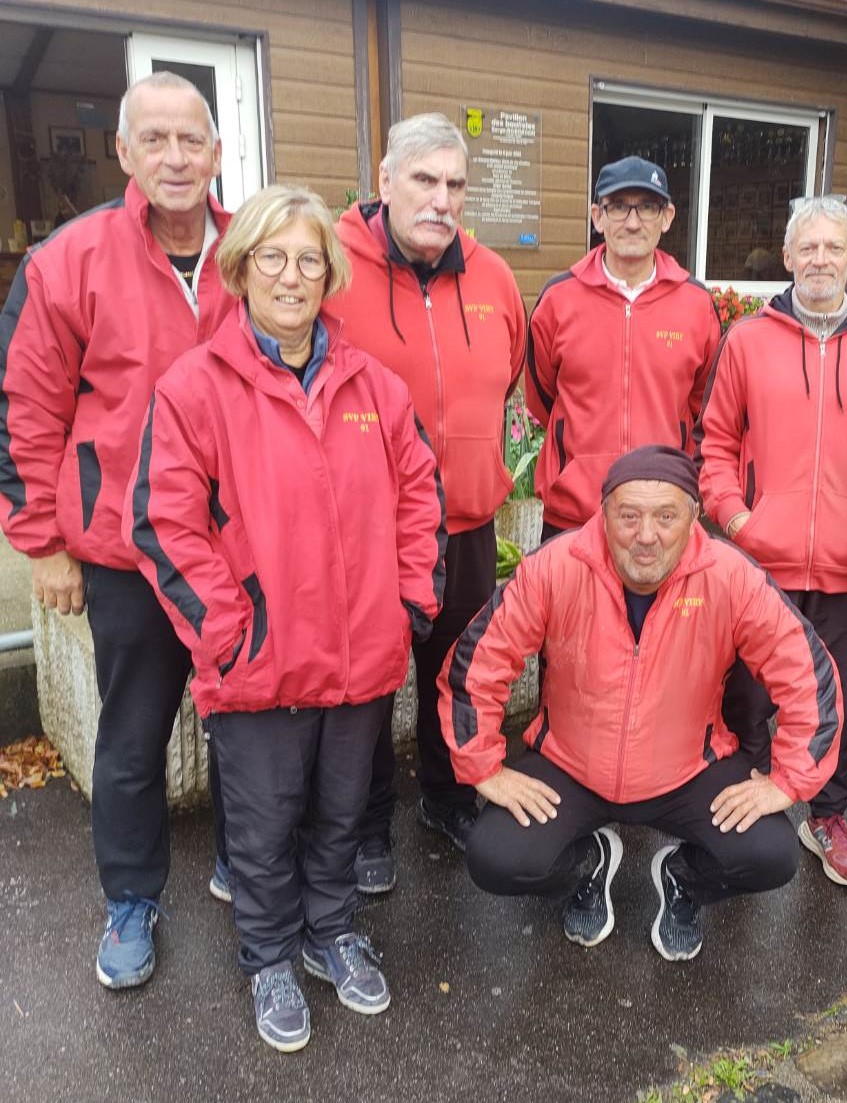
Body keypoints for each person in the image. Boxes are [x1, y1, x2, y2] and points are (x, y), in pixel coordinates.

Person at [128, 184, 444, 1051]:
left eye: (309, 258)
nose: (292, 275)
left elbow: (422, 492)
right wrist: (229, 630)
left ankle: (331, 930)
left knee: (342, 811)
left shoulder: (372, 384)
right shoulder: (196, 386)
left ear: (329, 272)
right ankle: (269, 952)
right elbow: (161, 520)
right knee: (263, 825)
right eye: (273, 256)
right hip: (258, 661)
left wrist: (411, 596)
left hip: (358, 657)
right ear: (240, 268)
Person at [0, 71, 236, 989]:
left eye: (193, 141)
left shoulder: (251, 250)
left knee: (244, 722)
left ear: (216, 154)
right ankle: (132, 902)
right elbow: (26, 407)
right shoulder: (68, 259)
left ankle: (240, 861)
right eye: (158, 140)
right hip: (123, 545)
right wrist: (42, 542)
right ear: (125, 151)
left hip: (232, 546)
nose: (176, 158)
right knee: (133, 738)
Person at [439, 446, 844, 961]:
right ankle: (589, 866)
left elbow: (808, 675)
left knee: (771, 854)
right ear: (602, 513)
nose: (646, 535)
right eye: (628, 515)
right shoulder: (557, 567)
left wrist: (788, 780)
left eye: (666, 516)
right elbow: (479, 662)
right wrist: (483, 767)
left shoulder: (728, 575)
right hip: (572, 766)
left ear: (694, 517)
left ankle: (681, 880)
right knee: (494, 856)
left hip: (685, 771)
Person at [331, 112, 526, 878]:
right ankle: (367, 824)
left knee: (458, 671)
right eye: (424, 180)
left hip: (467, 522)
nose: (441, 200)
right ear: (384, 181)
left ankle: (445, 795)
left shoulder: (493, 277)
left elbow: (509, 377)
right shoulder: (335, 269)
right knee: (370, 683)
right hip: (370, 532)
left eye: (454, 184)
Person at [696, 195, 847, 887]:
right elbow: (715, 442)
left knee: (836, 700)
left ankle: (827, 815)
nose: (819, 258)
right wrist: (737, 522)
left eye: (832, 247)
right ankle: (750, 807)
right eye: (806, 247)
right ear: (786, 258)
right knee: (749, 699)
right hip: (761, 564)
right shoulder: (748, 340)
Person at [525, 156, 721, 541]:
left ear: (666, 218)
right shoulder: (558, 300)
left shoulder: (696, 305)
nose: (633, 222)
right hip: (574, 515)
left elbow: (704, 406)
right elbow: (543, 398)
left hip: (661, 516)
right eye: (618, 207)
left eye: (647, 207)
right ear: (597, 216)